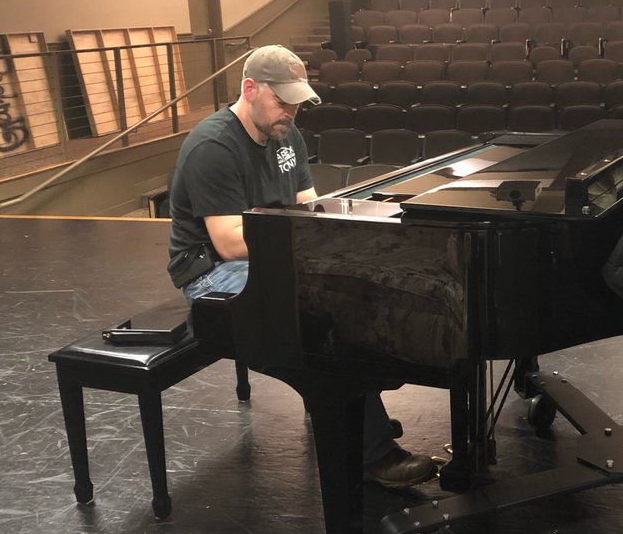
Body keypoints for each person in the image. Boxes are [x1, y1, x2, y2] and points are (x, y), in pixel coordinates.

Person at [166, 44, 438, 488]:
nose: (291, 110)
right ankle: (370, 452)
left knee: (356, 287)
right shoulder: (212, 146)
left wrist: (341, 241)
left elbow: (307, 206)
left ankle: (345, 407)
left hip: (273, 251)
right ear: (250, 89)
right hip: (210, 272)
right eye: (282, 100)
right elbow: (230, 243)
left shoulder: (284, 136)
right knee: (321, 311)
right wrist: (311, 250)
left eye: (295, 101)